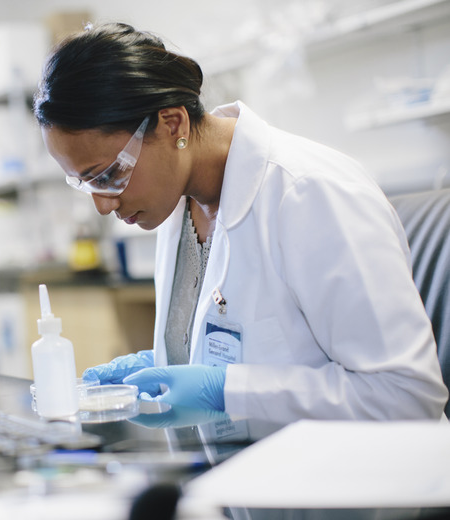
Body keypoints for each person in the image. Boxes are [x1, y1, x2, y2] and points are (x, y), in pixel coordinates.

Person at [33, 22, 448, 423]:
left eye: (107, 175)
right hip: (238, 484)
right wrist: (170, 359)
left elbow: (405, 395)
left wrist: (228, 391)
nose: (103, 206)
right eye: (85, 184)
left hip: (347, 488)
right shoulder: (176, 203)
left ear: (172, 123)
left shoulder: (310, 193)